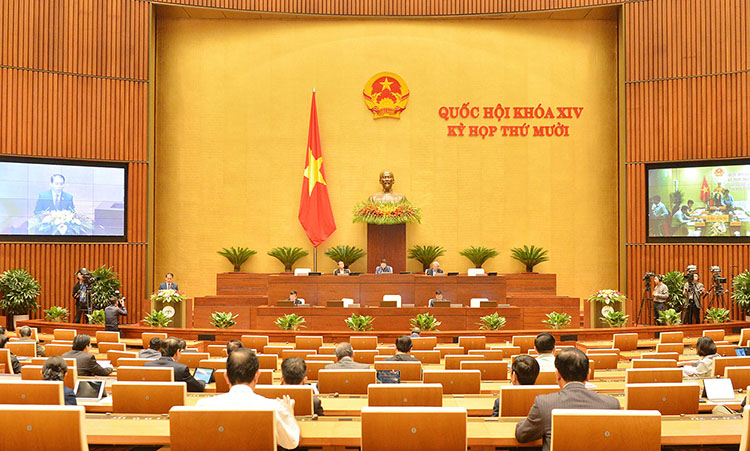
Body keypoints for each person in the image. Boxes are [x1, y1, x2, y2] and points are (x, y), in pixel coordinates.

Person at [515, 348, 619, 451]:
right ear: (588, 374)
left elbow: (522, 435)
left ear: (557, 374)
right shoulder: (612, 404)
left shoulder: (544, 404)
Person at [196, 348, 300, 449]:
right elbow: (291, 443)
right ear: (257, 376)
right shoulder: (274, 408)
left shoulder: (203, 406)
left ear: (226, 377)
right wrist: (288, 414)